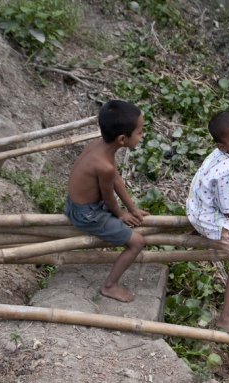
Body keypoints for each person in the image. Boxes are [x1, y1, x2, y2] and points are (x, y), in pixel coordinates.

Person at [64, 100, 149, 303]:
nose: (142, 135)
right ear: (122, 139)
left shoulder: (98, 146)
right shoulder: (104, 165)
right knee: (137, 242)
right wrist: (121, 213)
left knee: (127, 224)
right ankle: (109, 286)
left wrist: (132, 208)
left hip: (76, 204)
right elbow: (109, 196)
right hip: (87, 214)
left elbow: (115, 178)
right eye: (139, 132)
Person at [186, 111, 229, 339]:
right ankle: (226, 317)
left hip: (195, 207)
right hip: (208, 216)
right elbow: (227, 208)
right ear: (223, 146)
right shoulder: (226, 171)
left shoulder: (222, 154)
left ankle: (199, 229)